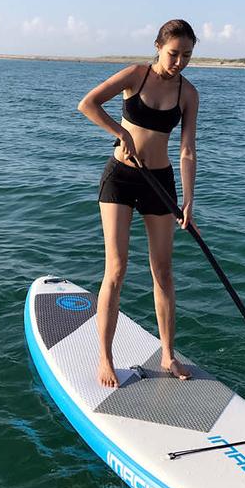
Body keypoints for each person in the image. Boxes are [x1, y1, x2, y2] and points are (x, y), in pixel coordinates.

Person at [77, 19, 199, 388]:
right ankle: (106, 358)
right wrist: (120, 132)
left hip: (159, 184)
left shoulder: (188, 94)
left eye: (187, 56)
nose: (178, 61)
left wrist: (189, 202)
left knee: (163, 271)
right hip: (120, 176)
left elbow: (187, 150)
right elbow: (88, 104)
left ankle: (167, 355)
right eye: (173, 53)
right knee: (116, 269)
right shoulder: (136, 75)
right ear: (158, 46)